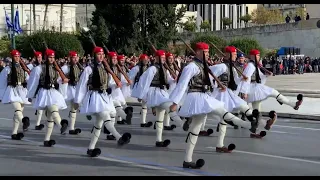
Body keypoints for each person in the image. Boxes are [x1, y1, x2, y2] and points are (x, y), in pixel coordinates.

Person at [169, 42, 258, 169]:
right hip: (196, 96)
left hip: (204, 96)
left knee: (195, 129)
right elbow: (182, 84)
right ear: (198, 52)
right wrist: (175, 102)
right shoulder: (191, 67)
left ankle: (187, 160)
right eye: (204, 52)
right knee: (221, 112)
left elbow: (210, 81)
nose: (206, 54)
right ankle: (249, 125)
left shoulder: (204, 65)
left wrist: (218, 85)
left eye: (207, 52)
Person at [74, 46, 131, 157]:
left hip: (104, 97)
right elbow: (81, 86)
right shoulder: (89, 69)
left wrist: (111, 87)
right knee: (106, 117)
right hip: (95, 97)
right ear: (94, 56)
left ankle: (91, 149)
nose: (101, 56)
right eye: (98, 54)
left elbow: (108, 82)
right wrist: (78, 101)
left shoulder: (106, 68)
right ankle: (119, 137)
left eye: (102, 55)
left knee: (98, 125)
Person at [236, 49, 303, 135]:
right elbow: (246, 78)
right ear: (253, 56)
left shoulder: (254, 65)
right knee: (274, 92)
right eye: (257, 55)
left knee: (257, 111)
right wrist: (244, 92)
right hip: (253, 88)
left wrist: (266, 75)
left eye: (259, 55)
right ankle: (293, 104)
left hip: (255, 88)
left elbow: (260, 77)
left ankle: (259, 129)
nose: (259, 57)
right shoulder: (250, 65)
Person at [131, 49, 184, 148]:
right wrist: (141, 95)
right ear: (156, 58)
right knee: (169, 106)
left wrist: (175, 80)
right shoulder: (152, 69)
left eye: (164, 58)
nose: (164, 59)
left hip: (161, 92)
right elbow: (144, 82)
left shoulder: (164, 68)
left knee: (160, 118)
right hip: (154, 92)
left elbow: (168, 80)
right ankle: (182, 124)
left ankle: (158, 140)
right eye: (162, 58)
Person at [26, 49, 69, 147]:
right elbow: (33, 82)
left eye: (53, 57)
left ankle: (46, 140)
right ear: (46, 57)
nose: (52, 59)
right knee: (53, 109)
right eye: (50, 57)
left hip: (53, 92)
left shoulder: (56, 69)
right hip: (44, 92)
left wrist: (62, 82)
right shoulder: (39, 68)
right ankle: (61, 125)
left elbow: (58, 80)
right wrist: (30, 95)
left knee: (50, 117)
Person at [0, 50, 31, 140]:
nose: (17, 58)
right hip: (12, 90)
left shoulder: (23, 67)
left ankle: (14, 133)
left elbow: (28, 79)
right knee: (18, 109)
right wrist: (1, 95)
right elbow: (2, 81)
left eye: (18, 56)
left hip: (21, 90)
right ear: (12, 58)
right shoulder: (8, 68)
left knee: (18, 112)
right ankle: (24, 121)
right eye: (15, 56)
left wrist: (29, 92)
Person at [61, 51, 83, 135]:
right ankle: (70, 127)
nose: (76, 59)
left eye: (76, 57)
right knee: (75, 106)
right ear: (70, 58)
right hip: (69, 89)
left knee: (74, 108)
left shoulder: (78, 67)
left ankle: (71, 127)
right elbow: (59, 77)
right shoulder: (66, 68)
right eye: (74, 57)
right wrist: (65, 80)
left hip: (77, 88)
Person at [129, 54, 153, 128]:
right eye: (144, 59)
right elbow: (130, 77)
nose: (146, 61)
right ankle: (143, 122)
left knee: (146, 104)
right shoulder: (137, 68)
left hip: (148, 87)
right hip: (141, 87)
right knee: (144, 104)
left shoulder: (150, 68)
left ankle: (143, 121)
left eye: (147, 59)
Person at [29, 51, 46, 130]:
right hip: (38, 87)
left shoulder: (44, 65)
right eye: (37, 57)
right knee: (40, 106)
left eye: (40, 57)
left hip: (43, 87)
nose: (39, 59)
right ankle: (37, 124)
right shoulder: (32, 66)